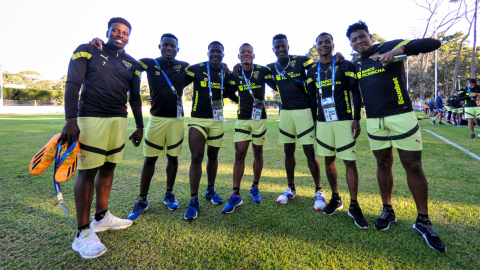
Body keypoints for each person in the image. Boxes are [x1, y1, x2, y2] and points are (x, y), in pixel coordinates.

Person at [347, 21, 446, 252]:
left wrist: (398, 52)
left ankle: (423, 221)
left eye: (362, 37)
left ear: (369, 36)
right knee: (382, 164)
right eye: (354, 40)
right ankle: (387, 210)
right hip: (374, 120)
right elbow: (352, 91)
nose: (359, 42)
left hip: (401, 115)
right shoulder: (356, 63)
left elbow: (434, 43)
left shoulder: (389, 47)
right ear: (351, 44)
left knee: (413, 165)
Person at [62, 17, 144, 259]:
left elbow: (136, 98)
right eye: (115, 31)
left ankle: (102, 217)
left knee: (109, 168)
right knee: (87, 171)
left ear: (129, 36)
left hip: (118, 120)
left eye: (124, 32)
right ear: (107, 32)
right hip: (90, 118)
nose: (120, 35)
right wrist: (70, 119)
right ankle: (82, 232)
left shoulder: (133, 64)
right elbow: (73, 84)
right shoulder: (87, 50)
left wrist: (139, 126)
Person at [306, 33, 368, 229]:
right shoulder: (312, 71)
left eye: (327, 42)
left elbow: (355, 93)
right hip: (323, 122)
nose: (323, 45)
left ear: (333, 44)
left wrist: (356, 118)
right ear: (316, 47)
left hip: (343, 120)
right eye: (320, 43)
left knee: (349, 161)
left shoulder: (345, 65)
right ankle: (336, 198)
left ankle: (354, 205)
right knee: (328, 160)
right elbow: (312, 98)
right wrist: (315, 120)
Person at [127, 34, 190, 220]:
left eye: (173, 46)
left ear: (177, 49)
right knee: (149, 160)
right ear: (159, 46)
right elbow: (127, 62)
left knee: (173, 157)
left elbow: (204, 70)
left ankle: (169, 194)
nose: (169, 48)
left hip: (176, 120)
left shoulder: (184, 66)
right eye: (166, 45)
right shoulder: (149, 63)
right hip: (156, 119)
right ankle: (142, 199)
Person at [266, 34, 326, 209]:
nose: (280, 49)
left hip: (304, 111)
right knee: (288, 150)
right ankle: (291, 188)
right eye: (277, 47)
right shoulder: (271, 68)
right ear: (273, 49)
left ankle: (319, 191)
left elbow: (321, 65)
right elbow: (254, 71)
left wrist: (336, 58)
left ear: (288, 46)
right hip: (285, 113)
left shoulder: (302, 61)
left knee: (308, 151)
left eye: (283, 46)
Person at [183, 41, 238, 220]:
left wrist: (235, 75)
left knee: (213, 156)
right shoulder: (196, 69)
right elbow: (177, 81)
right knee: (197, 157)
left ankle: (210, 190)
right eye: (213, 51)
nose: (216, 54)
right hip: (198, 119)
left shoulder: (225, 72)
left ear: (223, 54)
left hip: (217, 120)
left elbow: (230, 91)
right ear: (208, 53)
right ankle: (193, 200)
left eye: (219, 52)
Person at [221, 43, 276, 214]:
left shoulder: (262, 70)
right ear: (238, 56)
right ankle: (235, 193)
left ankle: (254, 187)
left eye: (249, 52)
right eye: (243, 52)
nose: (246, 54)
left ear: (254, 55)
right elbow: (226, 91)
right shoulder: (235, 74)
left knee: (257, 152)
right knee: (239, 154)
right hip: (243, 119)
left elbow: (276, 84)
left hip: (260, 118)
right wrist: (239, 101)